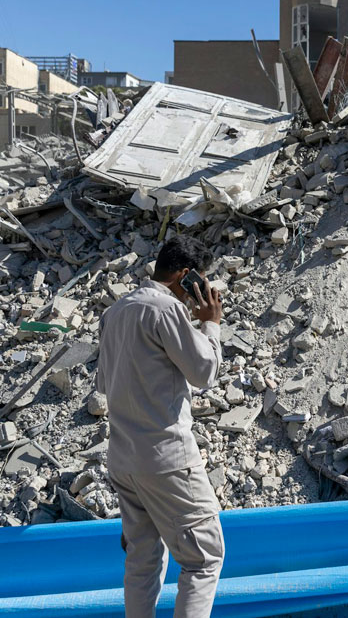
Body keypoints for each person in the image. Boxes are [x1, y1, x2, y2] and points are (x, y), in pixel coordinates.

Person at [96, 235, 226, 618]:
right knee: (204, 557)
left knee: (143, 559)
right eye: (200, 281)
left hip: (124, 460)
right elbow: (204, 372)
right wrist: (210, 325)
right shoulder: (166, 309)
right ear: (186, 276)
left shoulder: (116, 312)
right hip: (166, 458)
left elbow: (104, 385)